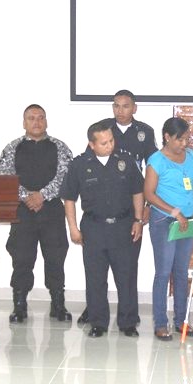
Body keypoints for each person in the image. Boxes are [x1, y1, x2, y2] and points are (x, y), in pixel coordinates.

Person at [77, 89, 157, 325]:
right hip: (100, 210)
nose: (120, 110)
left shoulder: (144, 132)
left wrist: (146, 206)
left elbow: (153, 169)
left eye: (125, 106)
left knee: (127, 269)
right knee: (96, 271)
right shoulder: (104, 129)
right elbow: (89, 164)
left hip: (130, 208)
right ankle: (94, 312)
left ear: (134, 108)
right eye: (116, 105)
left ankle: (128, 316)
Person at [61, 120, 144, 338]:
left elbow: (137, 191)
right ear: (92, 144)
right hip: (94, 227)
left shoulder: (125, 160)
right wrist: (73, 228)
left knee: (126, 277)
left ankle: (128, 322)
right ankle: (98, 322)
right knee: (95, 278)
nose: (110, 146)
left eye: (111, 141)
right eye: (104, 143)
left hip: (123, 226)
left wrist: (138, 220)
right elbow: (69, 199)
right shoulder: (79, 165)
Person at [0, 104, 73, 323]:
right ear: (24, 123)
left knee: (55, 257)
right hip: (23, 212)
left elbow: (66, 176)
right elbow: (5, 175)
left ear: (46, 121)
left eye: (40, 118)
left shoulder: (60, 147)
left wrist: (42, 196)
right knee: (21, 258)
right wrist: (26, 197)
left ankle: (58, 304)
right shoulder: (12, 147)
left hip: (52, 210)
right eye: (31, 118)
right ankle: (19, 305)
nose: (36, 122)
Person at [144, 117, 193, 341]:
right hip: (164, 221)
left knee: (181, 272)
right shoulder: (156, 161)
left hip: (187, 221)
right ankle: (160, 323)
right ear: (167, 137)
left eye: (187, 139)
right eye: (179, 139)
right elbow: (149, 194)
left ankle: (181, 321)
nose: (184, 144)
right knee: (163, 272)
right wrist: (174, 211)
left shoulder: (191, 156)